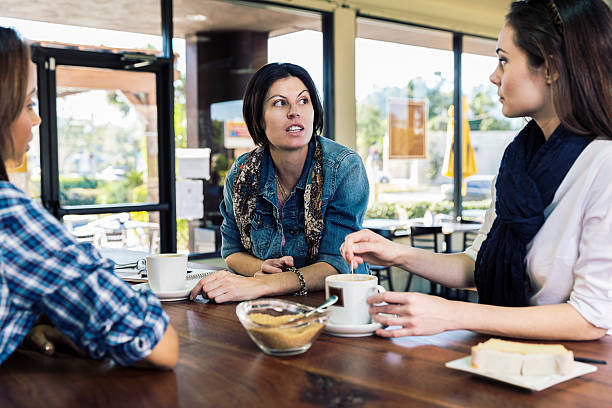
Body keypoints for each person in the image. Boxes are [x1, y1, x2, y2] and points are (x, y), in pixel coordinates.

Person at [341, 0, 612, 341]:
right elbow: (477, 264)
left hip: (578, 374)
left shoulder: (604, 165)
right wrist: (397, 254)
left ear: (551, 68)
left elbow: (591, 316)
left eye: (503, 60)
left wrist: (451, 313)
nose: (493, 76)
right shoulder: (518, 161)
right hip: (503, 358)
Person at [0, 27, 178, 368]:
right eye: (28, 103)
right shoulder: (11, 216)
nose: (36, 118)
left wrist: (24, 326)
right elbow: (159, 345)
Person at [190, 63, 368, 303]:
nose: (295, 111)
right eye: (280, 102)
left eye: (303, 101)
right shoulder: (241, 174)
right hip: (270, 308)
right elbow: (232, 252)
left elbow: (337, 263)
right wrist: (261, 267)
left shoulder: (344, 167)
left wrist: (261, 285)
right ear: (258, 117)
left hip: (340, 304)